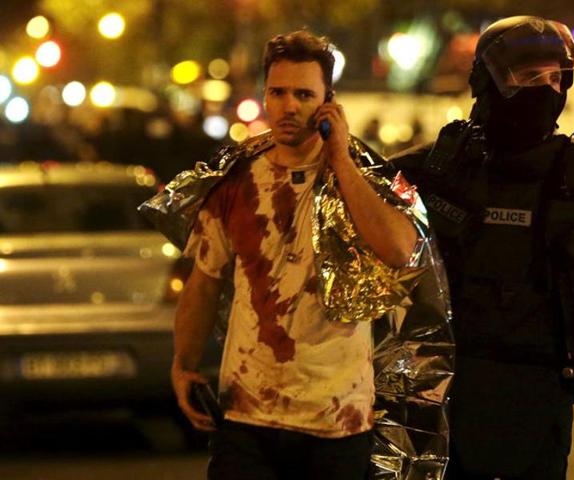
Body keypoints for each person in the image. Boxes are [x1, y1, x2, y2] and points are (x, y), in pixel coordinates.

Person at [162, 30, 437, 480]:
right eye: (278, 91)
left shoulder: (363, 175)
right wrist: (183, 365)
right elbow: (204, 279)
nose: (289, 105)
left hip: (337, 420)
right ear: (265, 95)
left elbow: (401, 251)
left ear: (328, 101)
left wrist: (341, 159)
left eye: (304, 94)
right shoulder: (236, 180)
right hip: (248, 416)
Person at [391, 16, 574, 480]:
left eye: (554, 78)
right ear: (489, 83)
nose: (545, 90)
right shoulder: (442, 168)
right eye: (529, 77)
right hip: (446, 396)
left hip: (541, 397)